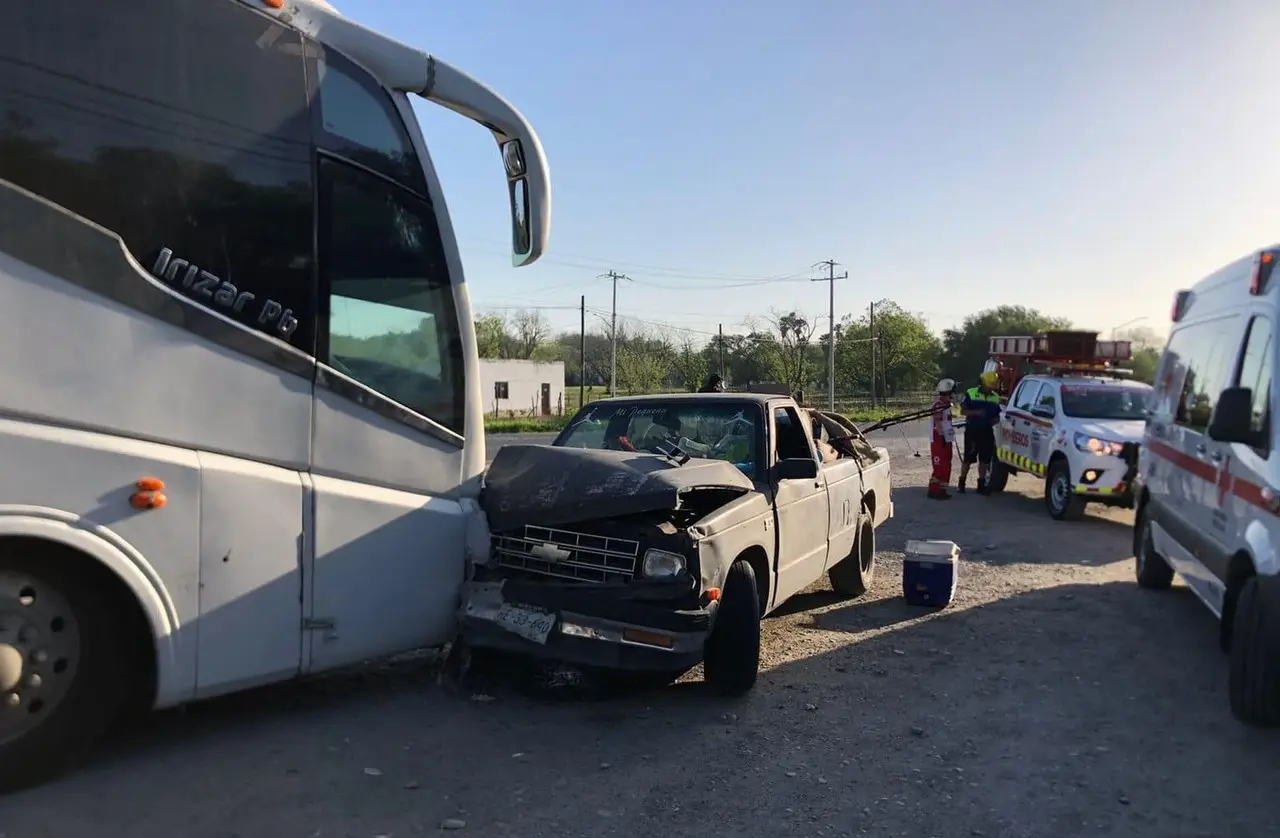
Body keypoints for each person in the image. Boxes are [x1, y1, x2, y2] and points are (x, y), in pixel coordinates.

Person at [958, 371, 1002, 495]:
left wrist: (995, 420)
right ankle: (961, 483)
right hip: (972, 430)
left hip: (987, 431)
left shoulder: (995, 397)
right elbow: (963, 411)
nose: (991, 389)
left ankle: (981, 484)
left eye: (992, 387)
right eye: (989, 386)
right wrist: (977, 413)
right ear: (982, 383)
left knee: (985, 460)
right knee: (968, 458)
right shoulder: (971, 393)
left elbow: (997, 415)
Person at [928, 378, 957, 500]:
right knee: (939, 465)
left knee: (947, 465)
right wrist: (943, 436)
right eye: (952, 393)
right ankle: (934, 490)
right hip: (939, 440)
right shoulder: (938, 405)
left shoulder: (946, 405)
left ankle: (942, 490)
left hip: (947, 439)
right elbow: (938, 422)